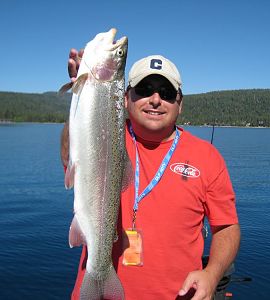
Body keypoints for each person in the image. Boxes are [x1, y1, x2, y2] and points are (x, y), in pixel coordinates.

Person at [61, 48, 241, 300]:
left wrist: (212, 273)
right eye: (144, 90)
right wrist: (83, 93)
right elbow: (71, 153)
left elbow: (227, 227)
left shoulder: (208, 157)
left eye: (166, 93)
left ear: (180, 103)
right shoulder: (106, 136)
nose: (155, 99)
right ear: (125, 98)